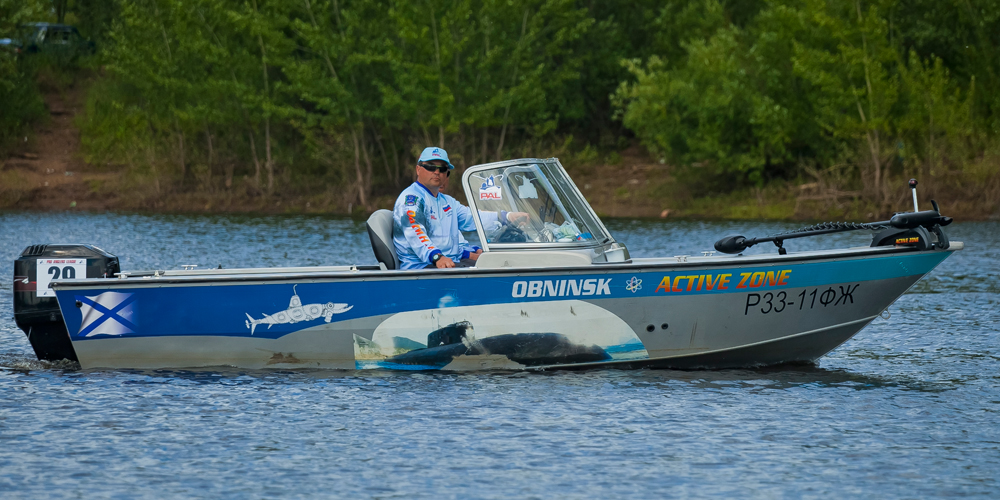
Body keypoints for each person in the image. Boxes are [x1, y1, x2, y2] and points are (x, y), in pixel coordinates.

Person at [392, 146, 528, 269]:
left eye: (443, 168)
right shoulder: (411, 199)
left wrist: (506, 217)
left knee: (498, 264)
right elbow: (415, 233)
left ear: (447, 174)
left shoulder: (447, 201)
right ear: (418, 169)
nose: (437, 172)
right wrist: (436, 257)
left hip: (449, 261)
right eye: (431, 167)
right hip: (421, 267)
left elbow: (473, 217)